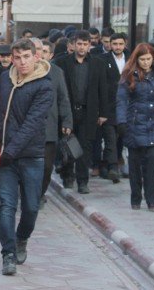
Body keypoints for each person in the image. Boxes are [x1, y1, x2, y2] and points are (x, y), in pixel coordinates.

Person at [0, 38, 53, 276]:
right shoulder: (3, 80)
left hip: (31, 155)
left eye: (26, 57)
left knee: (30, 206)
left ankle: (22, 238)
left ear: (36, 56)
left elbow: (32, 124)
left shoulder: (45, 85)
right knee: (7, 205)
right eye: (17, 58)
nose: (22, 62)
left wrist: (11, 150)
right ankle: (8, 254)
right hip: (5, 157)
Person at [116, 43, 154, 212]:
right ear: (136, 59)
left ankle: (152, 199)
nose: (146, 63)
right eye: (142, 59)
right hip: (134, 124)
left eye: (149, 59)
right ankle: (135, 197)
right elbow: (121, 100)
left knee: (152, 163)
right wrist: (121, 122)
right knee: (135, 165)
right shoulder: (129, 75)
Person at [54, 30, 108, 194]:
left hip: (88, 112)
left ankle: (83, 181)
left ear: (90, 45)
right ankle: (67, 176)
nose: (82, 47)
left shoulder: (97, 64)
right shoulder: (62, 63)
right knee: (68, 145)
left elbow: (103, 90)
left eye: (85, 44)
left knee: (85, 147)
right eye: (79, 44)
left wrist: (103, 112)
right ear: (73, 44)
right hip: (68, 111)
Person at [30, 38, 72, 205]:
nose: (38, 53)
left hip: (49, 127)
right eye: (34, 49)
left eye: (41, 49)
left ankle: (40, 194)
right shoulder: (19, 70)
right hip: (26, 129)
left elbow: (63, 98)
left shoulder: (55, 71)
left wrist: (67, 122)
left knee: (47, 167)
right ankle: (28, 195)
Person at [98, 32, 128, 182]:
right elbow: (101, 85)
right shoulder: (103, 60)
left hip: (126, 106)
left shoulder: (130, 59)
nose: (117, 47)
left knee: (120, 137)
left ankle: (107, 163)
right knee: (110, 138)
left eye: (120, 44)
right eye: (114, 44)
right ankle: (112, 168)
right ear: (110, 44)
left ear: (125, 44)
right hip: (109, 106)